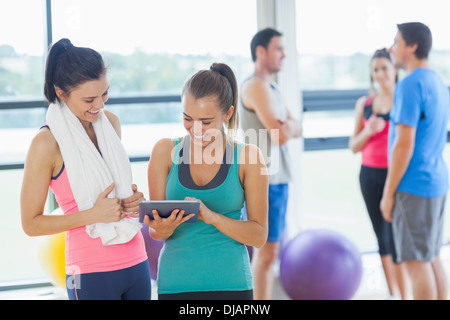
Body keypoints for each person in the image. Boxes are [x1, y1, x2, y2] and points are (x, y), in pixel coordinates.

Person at [20, 38, 151, 300]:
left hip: (137, 260)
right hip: (90, 271)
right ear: (60, 92)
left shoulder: (111, 123)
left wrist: (132, 200)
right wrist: (93, 214)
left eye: (104, 94)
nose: (100, 106)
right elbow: (31, 224)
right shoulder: (46, 143)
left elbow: (113, 186)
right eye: (89, 99)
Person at [145, 63, 268, 300]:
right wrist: (162, 228)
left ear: (228, 114)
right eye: (188, 118)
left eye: (206, 121)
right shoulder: (164, 152)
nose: (196, 129)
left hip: (232, 285)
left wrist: (212, 217)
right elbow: (155, 232)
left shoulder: (248, 157)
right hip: (175, 284)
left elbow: (259, 235)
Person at [380, 22, 449, 300]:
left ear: (412, 46)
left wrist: (388, 193)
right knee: (431, 257)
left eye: (396, 42)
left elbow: (403, 145)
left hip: (414, 185)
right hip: (435, 182)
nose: (391, 49)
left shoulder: (409, 84)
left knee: (415, 264)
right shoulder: (437, 81)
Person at [239, 28, 302, 300]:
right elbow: (281, 133)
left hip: (277, 180)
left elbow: (296, 127)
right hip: (265, 181)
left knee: (268, 253)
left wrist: (289, 126)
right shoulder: (255, 86)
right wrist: (288, 126)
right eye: (278, 49)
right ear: (260, 51)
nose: (284, 54)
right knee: (265, 254)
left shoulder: (272, 87)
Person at [349, 48, 409, 299]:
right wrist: (368, 131)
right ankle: (394, 294)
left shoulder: (404, 101)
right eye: (375, 69)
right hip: (369, 176)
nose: (380, 74)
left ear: (395, 70)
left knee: (398, 240)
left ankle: (407, 294)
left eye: (385, 68)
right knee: (381, 239)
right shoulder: (365, 104)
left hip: (396, 176)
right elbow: (354, 146)